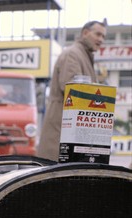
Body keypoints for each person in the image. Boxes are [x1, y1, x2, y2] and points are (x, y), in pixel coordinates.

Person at [37, 20, 106, 161]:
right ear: (85, 33)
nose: (101, 40)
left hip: (70, 134)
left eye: (103, 37)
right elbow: (75, 93)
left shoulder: (83, 56)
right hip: (61, 133)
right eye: (98, 34)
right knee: (57, 177)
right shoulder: (73, 54)